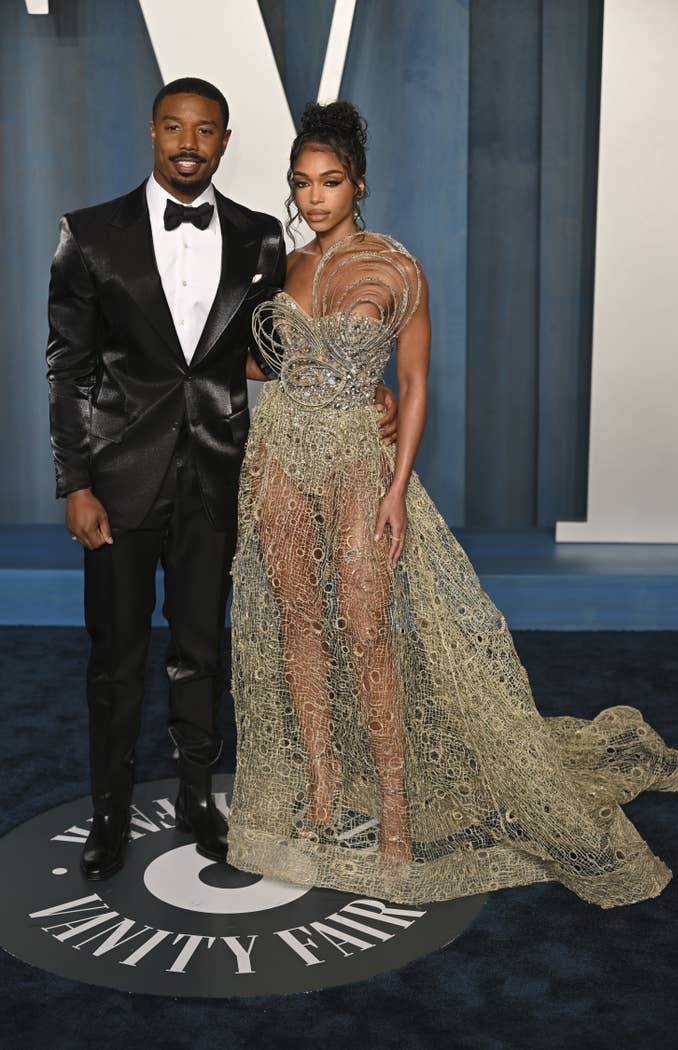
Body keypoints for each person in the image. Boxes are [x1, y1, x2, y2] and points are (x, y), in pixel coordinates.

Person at [226, 100, 678, 908]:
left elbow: (413, 384)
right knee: (297, 623)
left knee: (368, 636)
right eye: (301, 183)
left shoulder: (397, 268)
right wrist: (286, 374)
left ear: (358, 184)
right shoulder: (284, 265)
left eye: (329, 182)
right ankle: (327, 794)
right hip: (279, 459)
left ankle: (399, 805)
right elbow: (266, 363)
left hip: (359, 468)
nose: (314, 197)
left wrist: (399, 486)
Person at [46, 75, 400, 881]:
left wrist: (360, 382)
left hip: (219, 474)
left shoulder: (257, 239)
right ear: (151, 133)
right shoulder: (90, 233)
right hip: (118, 480)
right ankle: (109, 813)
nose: (187, 143)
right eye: (173, 127)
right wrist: (76, 483)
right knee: (116, 654)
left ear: (224, 142)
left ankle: (199, 799)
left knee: (202, 649)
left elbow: (276, 348)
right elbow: (65, 368)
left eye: (204, 131)